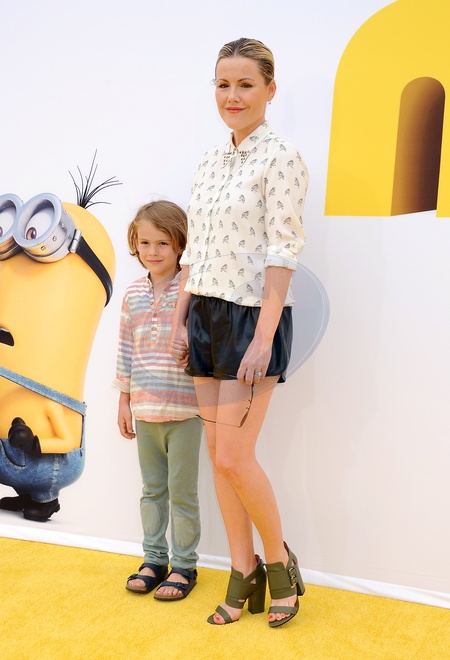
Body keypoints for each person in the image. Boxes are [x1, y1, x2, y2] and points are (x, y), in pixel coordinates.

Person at [170, 38, 308, 628]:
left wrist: (263, 338)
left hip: (253, 317)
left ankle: (280, 567)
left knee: (234, 454)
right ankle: (241, 569)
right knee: (218, 457)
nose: (233, 95)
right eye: (223, 84)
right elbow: (196, 250)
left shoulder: (282, 157)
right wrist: (180, 318)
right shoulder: (208, 159)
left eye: (246, 84)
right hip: (204, 313)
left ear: (270, 90)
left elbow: (283, 251)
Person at [114, 200, 202, 601]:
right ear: (135, 243)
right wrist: (124, 401)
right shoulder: (132, 293)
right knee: (152, 491)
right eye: (145, 242)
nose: (152, 251)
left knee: (182, 492)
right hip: (145, 409)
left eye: (163, 243)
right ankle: (154, 559)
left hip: (185, 410)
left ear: (180, 244)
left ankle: (184, 565)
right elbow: (125, 350)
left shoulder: (193, 288)